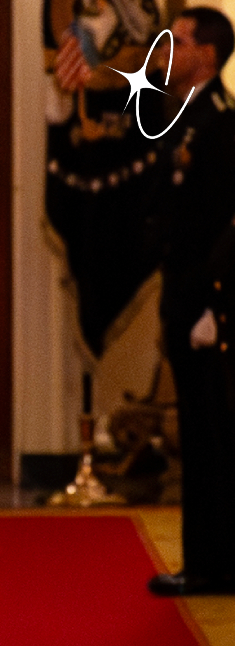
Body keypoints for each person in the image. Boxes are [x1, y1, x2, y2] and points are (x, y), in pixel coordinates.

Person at [141, 8, 235, 597]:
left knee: (213, 438)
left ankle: (216, 566)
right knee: (198, 437)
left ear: (207, 52)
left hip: (207, 304)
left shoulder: (221, 123)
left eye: (176, 39)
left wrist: (211, 305)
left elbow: (226, 226)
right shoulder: (184, 115)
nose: (166, 48)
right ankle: (206, 562)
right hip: (184, 297)